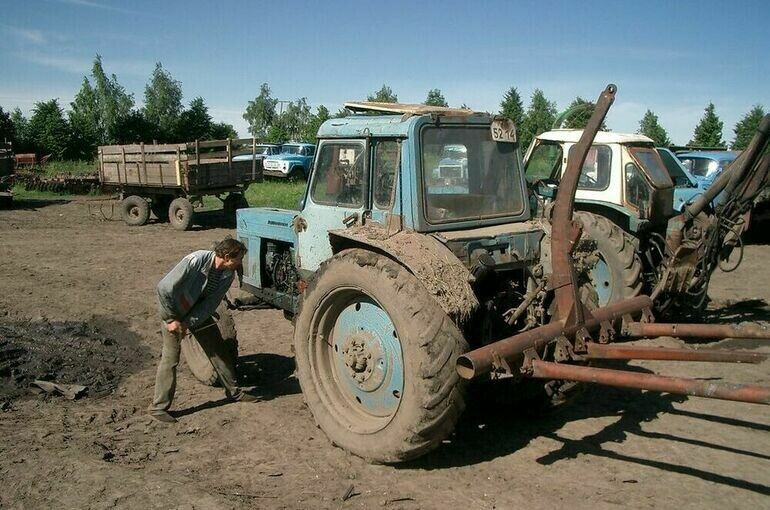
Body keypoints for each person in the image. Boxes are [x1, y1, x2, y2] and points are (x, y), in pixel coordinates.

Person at [149, 237, 257, 423]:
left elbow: (210, 304)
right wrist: (171, 319)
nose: (240, 262)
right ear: (226, 256)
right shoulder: (196, 260)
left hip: (197, 314)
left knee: (218, 351)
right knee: (170, 359)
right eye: (238, 258)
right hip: (173, 313)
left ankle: (234, 392)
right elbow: (164, 287)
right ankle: (158, 408)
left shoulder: (227, 275)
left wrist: (189, 322)